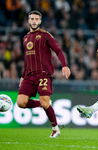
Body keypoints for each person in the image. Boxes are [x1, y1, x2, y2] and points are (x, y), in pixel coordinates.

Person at [17, 10, 71, 138]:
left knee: (45, 103)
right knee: (21, 102)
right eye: (32, 19)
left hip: (43, 74)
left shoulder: (45, 35)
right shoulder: (25, 38)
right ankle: (42, 103)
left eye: (36, 19)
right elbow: (27, 59)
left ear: (40, 21)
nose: (34, 21)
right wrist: (23, 76)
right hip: (29, 75)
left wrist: (64, 65)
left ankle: (55, 129)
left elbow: (58, 50)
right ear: (28, 21)